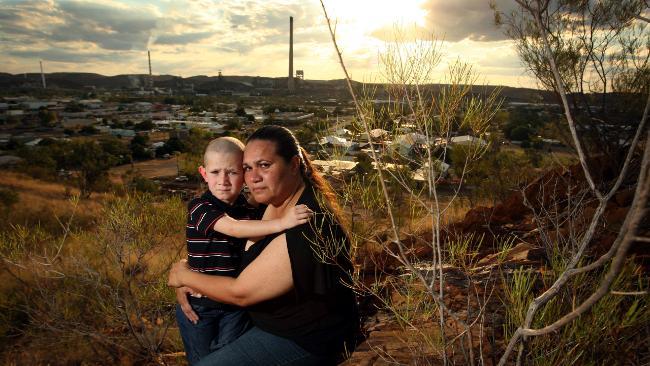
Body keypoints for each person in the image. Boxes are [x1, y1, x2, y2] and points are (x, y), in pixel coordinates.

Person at [169, 126, 359, 365]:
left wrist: (184, 276)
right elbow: (222, 243)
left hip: (300, 337)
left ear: (293, 164)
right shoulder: (261, 205)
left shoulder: (306, 223)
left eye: (265, 165)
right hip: (255, 320)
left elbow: (241, 293)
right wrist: (191, 271)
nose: (253, 177)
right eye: (248, 168)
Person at [177, 136, 314, 365]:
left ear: (243, 175)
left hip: (234, 307)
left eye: (232, 172)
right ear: (203, 173)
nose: (223, 181)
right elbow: (234, 228)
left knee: (225, 357)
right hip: (200, 306)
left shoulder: (248, 209)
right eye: (215, 172)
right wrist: (283, 223)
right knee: (201, 360)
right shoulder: (200, 208)